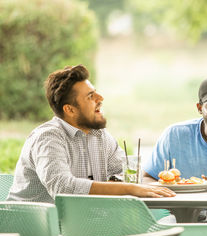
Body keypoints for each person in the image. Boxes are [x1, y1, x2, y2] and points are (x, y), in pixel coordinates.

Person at [7, 65, 175, 204]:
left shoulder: (100, 136)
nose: (100, 98)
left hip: (79, 226)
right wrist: (129, 188)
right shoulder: (48, 138)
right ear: (70, 109)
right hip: (34, 230)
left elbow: (122, 171)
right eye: (90, 96)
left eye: (96, 92)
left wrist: (117, 183)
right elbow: (62, 187)